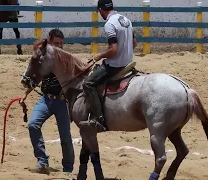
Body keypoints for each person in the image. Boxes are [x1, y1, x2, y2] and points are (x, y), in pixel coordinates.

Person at [20, 29, 75, 174]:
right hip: (45, 99)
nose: (59, 46)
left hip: (62, 102)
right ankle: (42, 162)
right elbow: (36, 77)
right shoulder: (43, 58)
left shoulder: (67, 59)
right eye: (56, 43)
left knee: (65, 136)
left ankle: (68, 168)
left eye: (61, 43)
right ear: (49, 41)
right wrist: (26, 94)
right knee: (33, 124)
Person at [80, 0, 138, 131]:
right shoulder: (126, 20)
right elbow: (134, 44)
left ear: (100, 10)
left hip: (115, 65)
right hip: (128, 62)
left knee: (88, 84)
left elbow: (113, 50)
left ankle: (98, 119)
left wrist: (99, 56)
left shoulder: (109, 24)